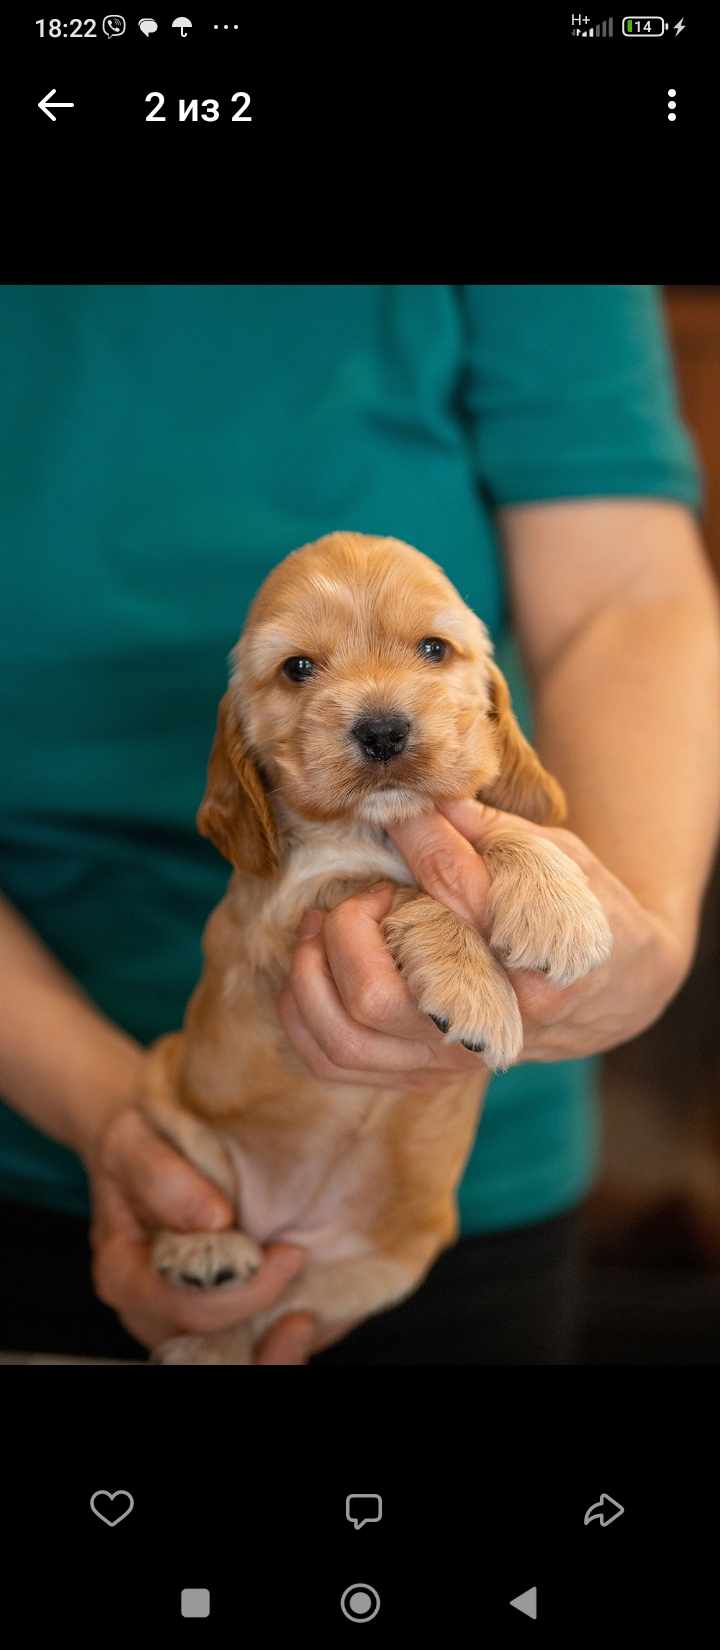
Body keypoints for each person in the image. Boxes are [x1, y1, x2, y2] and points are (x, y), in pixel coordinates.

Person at [1, 285, 718, 1365]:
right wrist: (113, 1119)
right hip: (56, 1143)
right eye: (301, 669)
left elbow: (627, 595)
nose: (380, 710)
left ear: (486, 699)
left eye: (430, 651)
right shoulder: (265, 825)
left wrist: (650, 934)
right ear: (240, 740)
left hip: (464, 1191)